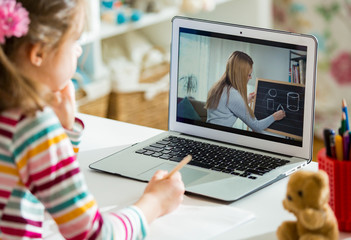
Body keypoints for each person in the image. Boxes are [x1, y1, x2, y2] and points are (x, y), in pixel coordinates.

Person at [0, 0, 184, 239]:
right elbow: (95, 234)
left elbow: (46, 185)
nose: (78, 51)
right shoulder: (32, 125)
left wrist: (65, 130)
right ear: (39, 53)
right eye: (74, 41)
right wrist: (155, 202)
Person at [205, 51, 286, 132]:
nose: (250, 77)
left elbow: (230, 107)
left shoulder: (218, 87)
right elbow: (256, 127)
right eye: (249, 74)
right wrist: (275, 116)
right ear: (240, 75)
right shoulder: (233, 95)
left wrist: (246, 100)